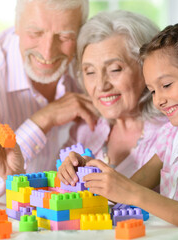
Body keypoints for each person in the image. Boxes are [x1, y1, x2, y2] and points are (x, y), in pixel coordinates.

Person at [67, 22, 178, 239]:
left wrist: (134, 194)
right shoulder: (173, 136)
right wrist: (85, 171)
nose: (158, 100)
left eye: (166, 85)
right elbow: (125, 189)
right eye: (152, 91)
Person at [0, 0, 97, 203]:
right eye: (36, 33)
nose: (47, 52)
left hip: (67, 210)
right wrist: (43, 119)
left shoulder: (89, 64)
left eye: (65, 36)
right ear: (16, 25)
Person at [57, 10, 166, 186]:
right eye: (90, 72)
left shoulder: (173, 134)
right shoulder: (85, 130)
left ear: (147, 69)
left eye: (115, 69)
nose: (101, 86)